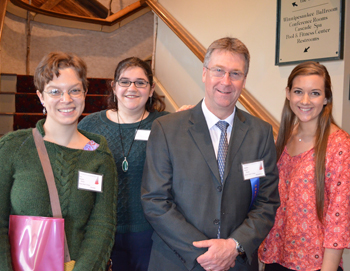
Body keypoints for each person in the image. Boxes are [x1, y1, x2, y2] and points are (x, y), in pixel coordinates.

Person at [141, 37, 280, 271]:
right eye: (218, 70)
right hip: (177, 260)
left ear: (244, 80)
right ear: (204, 73)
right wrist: (206, 253)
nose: (226, 81)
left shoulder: (261, 133)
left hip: (236, 262)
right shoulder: (167, 129)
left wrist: (233, 246)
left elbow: (267, 202)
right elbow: (155, 200)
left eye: (235, 74)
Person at [0, 52, 118, 271]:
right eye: (55, 91)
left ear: (85, 93)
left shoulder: (98, 154)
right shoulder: (13, 148)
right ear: (41, 96)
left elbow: (102, 225)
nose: (66, 99)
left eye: (74, 90)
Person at [78, 57, 168, 271]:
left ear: (151, 88)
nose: (132, 88)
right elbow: (80, 171)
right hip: (102, 232)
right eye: (125, 81)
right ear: (114, 86)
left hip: (151, 233)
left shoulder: (165, 125)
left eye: (140, 82)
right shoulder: (91, 126)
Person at [259, 61, 350, 271]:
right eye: (299, 91)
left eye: (315, 93)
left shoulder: (339, 146)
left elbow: (339, 220)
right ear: (288, 93)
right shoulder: (282, 140)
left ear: (326, 98)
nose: (305, 100)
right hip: (276, 259)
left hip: (316, 264)